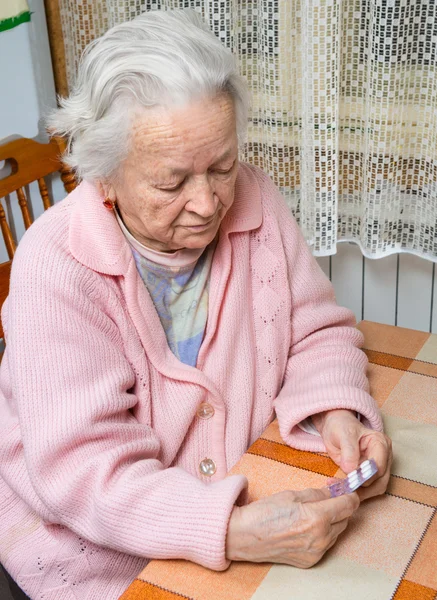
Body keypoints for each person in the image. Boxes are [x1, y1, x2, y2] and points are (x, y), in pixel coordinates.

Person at [0, 9, 392, 600]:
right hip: (99, 545)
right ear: (102, 176)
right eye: (171, 182)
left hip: (247, 479)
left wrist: (336, 409)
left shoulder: (256, 198)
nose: (208, 202)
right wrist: (229, 531)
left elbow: (315, 331)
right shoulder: (54, 268)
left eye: (223, 166)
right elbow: (80, 471)